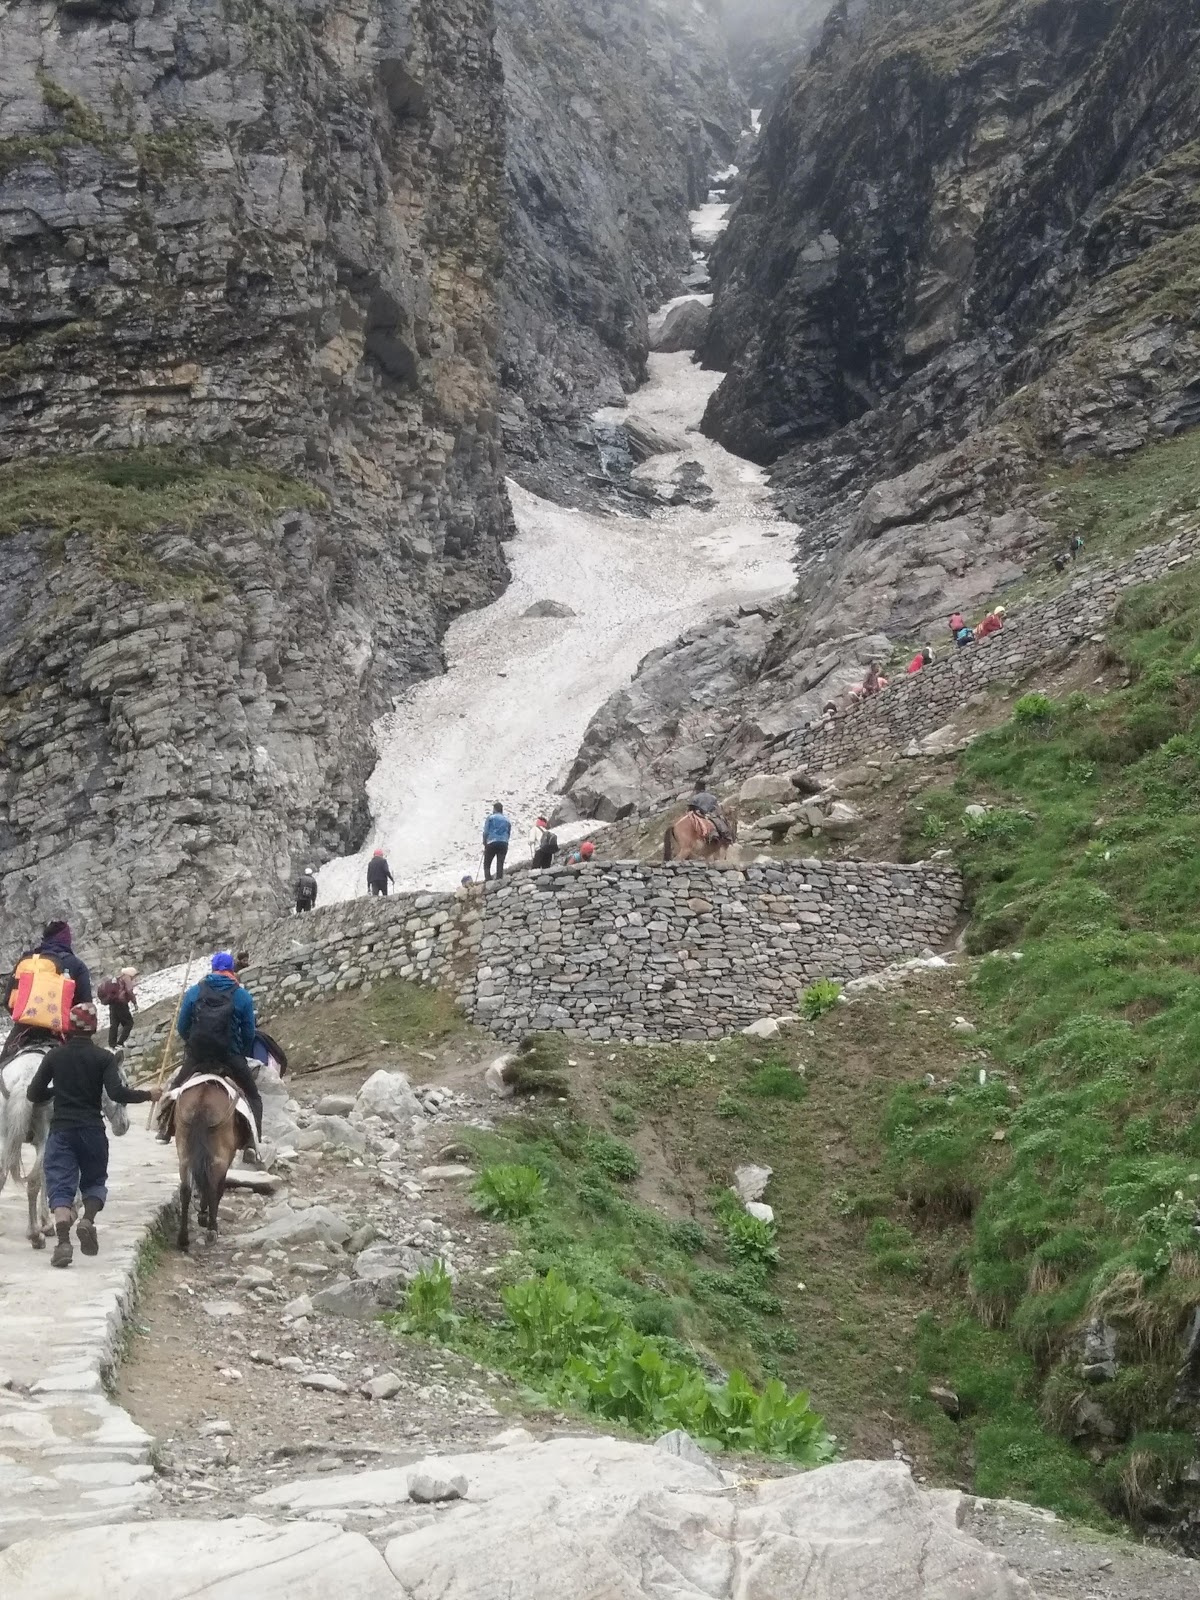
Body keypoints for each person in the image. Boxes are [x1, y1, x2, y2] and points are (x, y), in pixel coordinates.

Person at [26, 1002, 160, 1268]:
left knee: (61, 1187)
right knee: (95, 1181)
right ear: (95, 1028)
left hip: (62, 1131)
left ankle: (63, 1243)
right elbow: (117, 1094)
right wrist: (148, 1094)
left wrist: (57, 1092)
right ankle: (88, 1220)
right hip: (92, 1131)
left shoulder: (54, 1057)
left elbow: (33, 1094)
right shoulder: (104, 1058)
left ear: (69, 1026)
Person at [159, 951, 262, 1147]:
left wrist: (192, 1044)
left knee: (175, 1088)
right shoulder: (242, 995)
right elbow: (249, 1032)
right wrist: (241, 1051)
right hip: (229, 1056)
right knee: (253, 1096)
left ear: (213, 969)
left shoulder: (195, 991)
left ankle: (165, 1129)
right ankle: (252, 1144)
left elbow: (182, 1026)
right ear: (232, 969)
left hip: (198, 1055)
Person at [2, 920, 94, 1064]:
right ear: (66, 938)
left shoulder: (28, 961)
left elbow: (7, 1000)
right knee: (87, 1073)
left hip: (23, 1029)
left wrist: (28, 1017)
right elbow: (85, 1006)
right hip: (60, 1030)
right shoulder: (76, 964)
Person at [97, 967, 137, 1049]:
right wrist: (135, 1003)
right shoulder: (127, 978)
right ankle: (120, 1042)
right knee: (129, 1023)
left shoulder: (117, 979)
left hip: (112, 1003)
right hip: (121, 1003)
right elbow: (129, 991)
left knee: (114, 1024)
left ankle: (112, 1044)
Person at [482, 802, 511, 880]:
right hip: (504, 842)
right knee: (500, 862)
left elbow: (486, 832)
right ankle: (499, 879)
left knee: (487, 863)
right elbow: (508, 832)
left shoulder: (491, 818)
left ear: (494, 809)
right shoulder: (507, 820)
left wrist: (484, 842)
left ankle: (488, 879)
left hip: (492, 841)